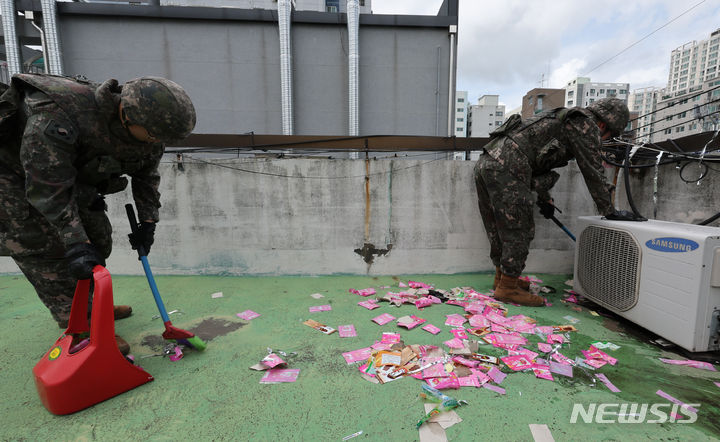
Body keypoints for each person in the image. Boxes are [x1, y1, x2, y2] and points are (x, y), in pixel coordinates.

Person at [0, 73, 196, 354]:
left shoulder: (151, 130)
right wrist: (75, 241)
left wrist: (148, 221)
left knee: (97, 239)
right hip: (15, 175)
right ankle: (83, 326)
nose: (157, 143)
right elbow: (48, 187)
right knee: (46, 248)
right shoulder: (59, 113)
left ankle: (93, 305)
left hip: (71, 175)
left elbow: (146, 176)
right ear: (127, 116)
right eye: (154, 136)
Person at [474, 97, 645, 307]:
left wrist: (546, 199)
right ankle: (507, 288)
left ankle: (503, 279)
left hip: (487, 161)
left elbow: (537, 161)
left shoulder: (563, 118)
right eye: (608, 135)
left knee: (498, 227)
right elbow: (592, 169)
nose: (604, 138)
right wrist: (609, 210)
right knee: (518, 229)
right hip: (509, 166)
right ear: (603, 125)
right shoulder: (585, 124)